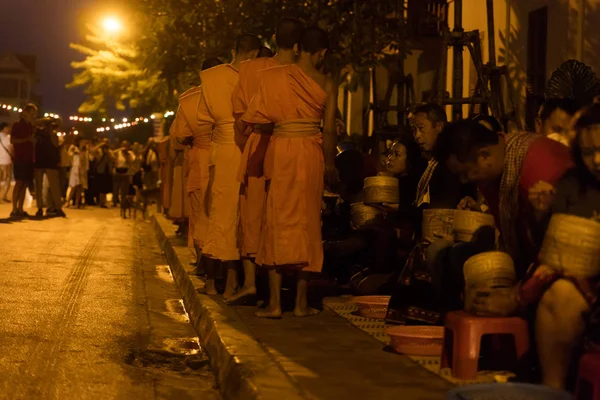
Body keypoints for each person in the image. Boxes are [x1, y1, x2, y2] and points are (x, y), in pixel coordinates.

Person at [472, 102, 600, 390]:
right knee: (559, 293)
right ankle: (552, 389)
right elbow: (556, 255)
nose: (598, 160)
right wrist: (542, 214)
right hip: (587, 283)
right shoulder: (574, 184)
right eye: (590, 152)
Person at [241, 27, 338, 318]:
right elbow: (330, 129)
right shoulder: (327, 82)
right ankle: (300, 304)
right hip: (310, 152)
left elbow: (254, 120)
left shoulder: (273, 77)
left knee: (276, 220)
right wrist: (331, 164)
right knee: (309, 222)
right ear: (322, 53)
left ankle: (273, 304)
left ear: (298, 48)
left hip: (281, 150)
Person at [228, 17, 303, 304]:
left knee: (253, 212)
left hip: (258, 143)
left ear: (273, 38)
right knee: (286, 213)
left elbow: (239, 115)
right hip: (293, 147)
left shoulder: (250, 69)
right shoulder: (302, 71)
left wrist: (248, 139)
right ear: (299, 46)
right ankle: (289, 288)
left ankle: (250, 282)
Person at [434, 119, 573, 273]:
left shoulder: (537, 173)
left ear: (485, 155)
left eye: (465, 173)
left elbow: (561, 250)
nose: (464, 180)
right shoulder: (499, 162)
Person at [198, 35, 262, 296]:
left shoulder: (211, 77)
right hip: (251, 146)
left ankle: (219, 283)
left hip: (223, 150)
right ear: (256, 53)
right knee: (244, 214)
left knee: (222, 216)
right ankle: (235, 282)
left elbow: (204, 118)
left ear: (233, 49)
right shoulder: (259, 76)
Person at [171, 57, 224, 274]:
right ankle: (224, 267)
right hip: (224, 156)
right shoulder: (229, 94)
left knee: (199, 213)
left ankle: (204, 261)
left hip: (199, 159)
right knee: (223, 212)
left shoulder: (189, 99)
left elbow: (181, 135)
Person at [10, 104, 37, 218]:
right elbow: (13, 140)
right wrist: (27, 139)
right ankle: (14, 209)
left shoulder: (30, 126)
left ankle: (21, 208)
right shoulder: (17, 124)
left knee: (25, 183)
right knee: (19, 183)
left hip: (29, 158)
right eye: (32, 113)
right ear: (26, 112)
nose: (33, 115)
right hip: (20, 158)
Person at [33, 118, 65, 217]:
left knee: (41, 187)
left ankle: (40, 208)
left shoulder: (39, 135)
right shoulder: (51, 135)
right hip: (49, 163)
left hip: (41, 163)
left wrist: (45, 121)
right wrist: (48, 120)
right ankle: (57, 208)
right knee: (53, 186)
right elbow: (57, 147)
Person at [112, 140, 135, 215]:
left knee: (124, 189)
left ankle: (123, 202)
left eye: (126, 145)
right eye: (123, 145)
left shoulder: (130, 153)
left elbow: (131, 162)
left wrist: (126, 154)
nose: (124, 147)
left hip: (126, 172)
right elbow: (112, 153)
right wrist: (120, 150)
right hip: (118, 171)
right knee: (116, 188)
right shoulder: (118, 152)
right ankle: (114, 201)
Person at [66, 138, 89, 209]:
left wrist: (85, 170)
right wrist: (72, 150)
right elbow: (69, 156)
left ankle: (77, 203)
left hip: (81, 170)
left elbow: (87, 161)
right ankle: (68, 202)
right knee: (73, 186)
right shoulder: (74, 149)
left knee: (79, 187)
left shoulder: (85, 152)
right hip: (75, 169)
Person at [92, 139, 113, 208]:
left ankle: (103, 202)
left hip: (108, 171)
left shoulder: (109, 152)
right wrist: (101, 144)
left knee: (105, 188)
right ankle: (101, 202)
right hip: (100, 171)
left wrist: (108, 153)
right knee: (101, 188)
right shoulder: (99, 152)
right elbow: (93, 151)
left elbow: (113, 159)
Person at [0, 123, 13, 203]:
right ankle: (4, 196)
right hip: (6, 161)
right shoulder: (7, 137)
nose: (9, 129)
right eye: (8, 127)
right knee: (7, 179)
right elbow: (11, 149)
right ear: (4, 128)